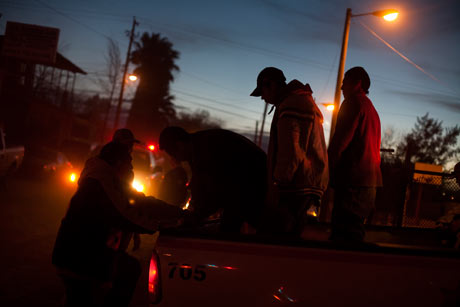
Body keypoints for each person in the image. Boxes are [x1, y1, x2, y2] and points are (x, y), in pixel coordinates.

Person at [52, 142, 182, 306]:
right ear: (119, 162)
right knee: (125, 272)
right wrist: (157, 225)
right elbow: (123, 214)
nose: (131, 169)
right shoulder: (100, 181)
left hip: (82, 252)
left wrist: (176, 213)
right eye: (130, 163)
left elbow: (141, 201)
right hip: (79, 255)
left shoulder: (107, 178)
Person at [250, 67, 328, 235]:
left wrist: (278, 183)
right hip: (305, 183)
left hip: (295, 187)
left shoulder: (292, 105)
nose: (262, 97)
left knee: (275, 236)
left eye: (262, 91)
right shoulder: (300, 101)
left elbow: (292, 150)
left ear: (270, 85)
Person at [159, 126, 267, 233]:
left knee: (238, 226)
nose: (174, 159)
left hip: (256, 186)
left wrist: (195, 216)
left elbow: (213, 192)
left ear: (180, 145)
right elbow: (200, 184)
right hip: (246, 187)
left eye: (173, 154)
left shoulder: (206, 148)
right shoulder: (197, 146)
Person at [328, 66, 382, 242]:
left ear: (357, 84)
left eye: (345, 82)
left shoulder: (352, 103)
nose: (341, 87)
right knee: (355, 233)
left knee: (342, 234)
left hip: (352, 181)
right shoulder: (372, 109)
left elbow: (339, 143)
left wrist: (327, 171)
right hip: (369, 182)